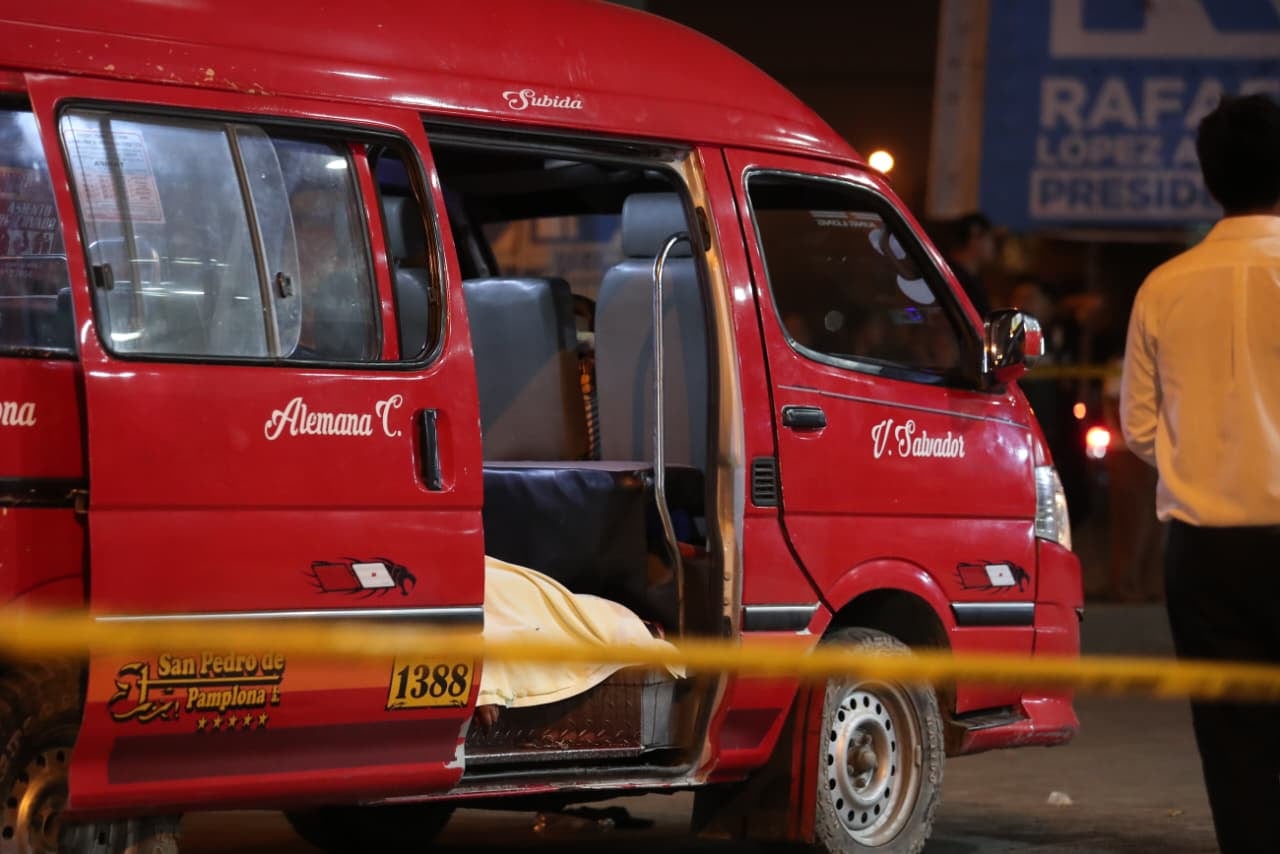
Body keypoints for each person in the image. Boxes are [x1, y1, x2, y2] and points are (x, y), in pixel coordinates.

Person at [1120, 93, 1280, 853]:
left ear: (1210, 178)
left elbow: (1139, 428)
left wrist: (1205, 465)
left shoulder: (1164, 285)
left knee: (1232, 744)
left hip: (1206, 554)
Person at [941, 211, 996, 317]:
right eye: (989, 238)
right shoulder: (953, 279)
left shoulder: (974, 279)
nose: (992, 245)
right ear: (974, 237)